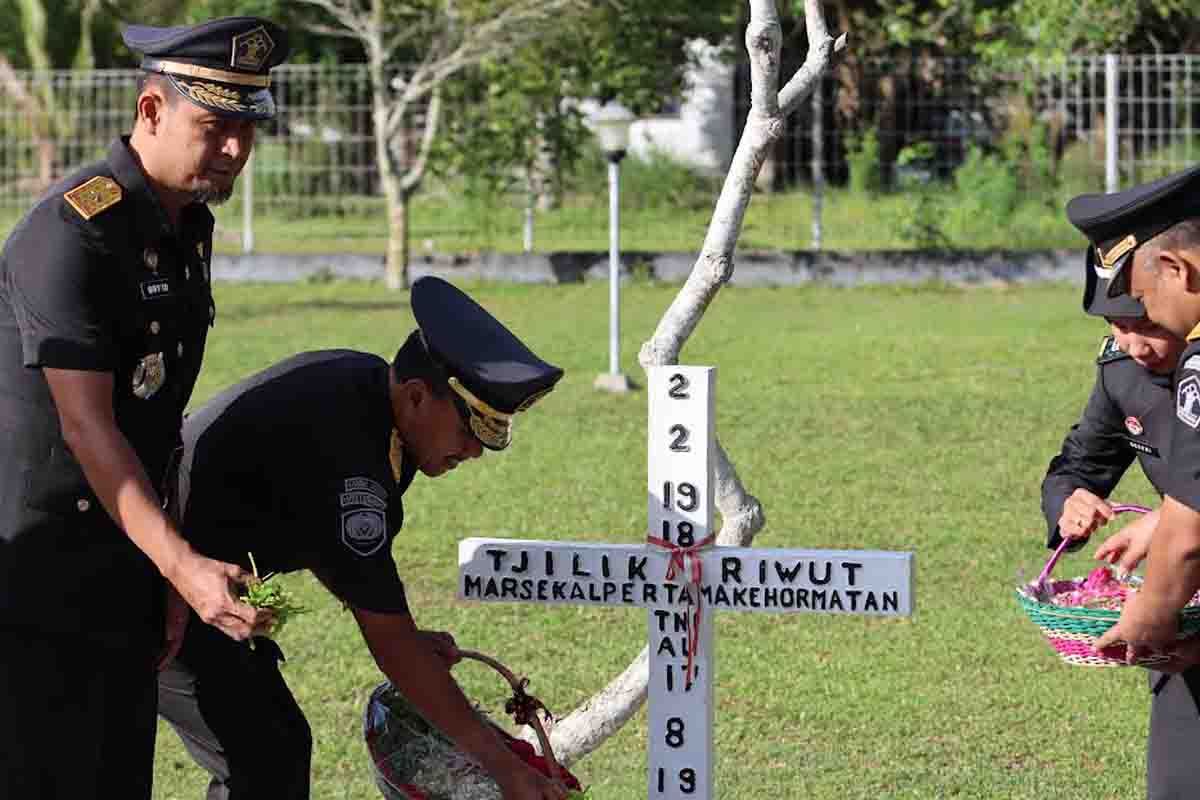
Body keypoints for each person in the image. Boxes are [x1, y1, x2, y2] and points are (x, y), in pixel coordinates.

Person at [0, 17, 288, 798]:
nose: (234, 148)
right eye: (214, 125)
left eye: (246, 128)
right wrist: (182, 565)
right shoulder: (72, 231)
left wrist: (162, 569)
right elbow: (85, 425)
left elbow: (155, 422)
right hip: (33, 570)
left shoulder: (185, 226)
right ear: (151, 111)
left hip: (123, 558)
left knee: (117, 777)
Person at [157, 276, 571, 800]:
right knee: (264, 753)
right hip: (156, 574)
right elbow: (391, 644)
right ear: (419, 395)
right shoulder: (354, 459)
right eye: (471, 431)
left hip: (185, 566)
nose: (473, 453)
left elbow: (326, 540)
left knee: (270, 748)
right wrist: (504, 769)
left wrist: (407, 642)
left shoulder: (371, 398)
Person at [1040, 248, 1198, 798]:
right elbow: (1078, 463)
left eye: (1146, 323)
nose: (1134, 345)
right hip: (1184, 617)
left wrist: (1169, 519)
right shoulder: (1122, 375)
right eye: (1117, 327)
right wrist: (1071, 503)